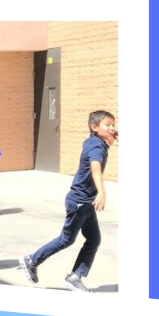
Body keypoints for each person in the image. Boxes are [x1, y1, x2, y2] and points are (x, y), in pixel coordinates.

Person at [19, 111, 117, 293]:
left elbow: (106, 146)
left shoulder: (93, 141)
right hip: (80, 201)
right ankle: (31, 260)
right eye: (108, 124)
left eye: (113, 124)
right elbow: (96, 168)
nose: (112, 127)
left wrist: (113, 136)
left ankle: (75, 277)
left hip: (85, 202)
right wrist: (102, 191)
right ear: (94, 127)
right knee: (66, 239)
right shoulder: (96, 148)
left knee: (94, 239)